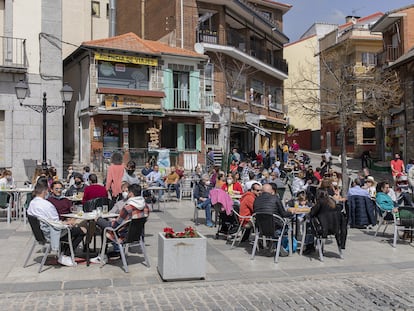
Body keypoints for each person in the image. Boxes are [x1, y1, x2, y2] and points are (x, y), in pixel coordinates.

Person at [27, 181, 86, 267]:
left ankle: (64, 252)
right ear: (46, 191)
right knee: (81, 231)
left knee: (75, 227)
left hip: (39, 233)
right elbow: (57, 224)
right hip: (50, 233)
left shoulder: (32, 203)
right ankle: (66, 254)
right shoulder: (48, 205)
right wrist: (68, 223)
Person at [91, 184, 149, 263]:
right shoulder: (146, 206)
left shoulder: (128, 208)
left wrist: (99, 220)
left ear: (131, 194)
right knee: (106, 227)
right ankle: (105, 254)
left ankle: (102, 256)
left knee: (104, 228)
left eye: (127, 192)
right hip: (138, 235)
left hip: (124, 236)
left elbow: (114, 226)